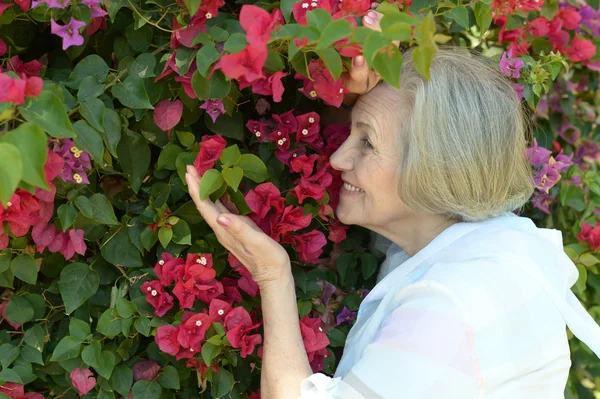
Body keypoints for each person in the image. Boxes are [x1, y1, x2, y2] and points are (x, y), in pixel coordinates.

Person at [185, 11, 600, 399]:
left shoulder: (450, 308)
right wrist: (366, 94)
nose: (336, 159)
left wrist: (272, 276)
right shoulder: (479, 250)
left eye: (366, 142)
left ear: (434, 167)